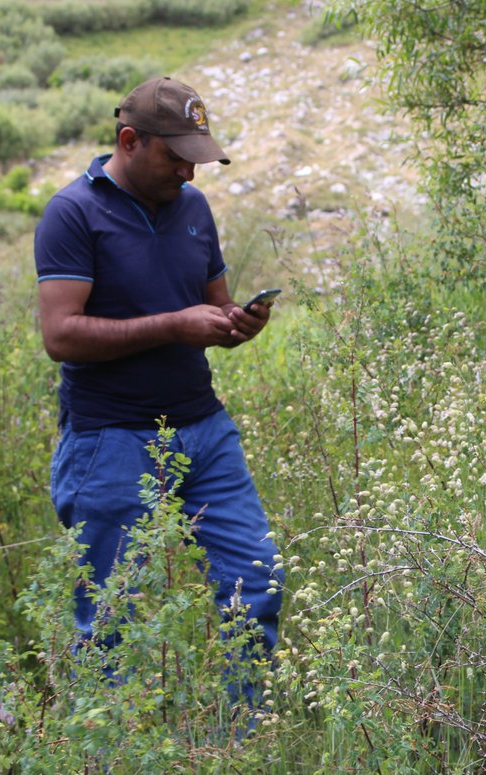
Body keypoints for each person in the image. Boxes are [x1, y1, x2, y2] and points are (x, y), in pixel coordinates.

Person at [34, 77, 283, 667]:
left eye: (197, 161)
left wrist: (236, 323)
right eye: (176, 159)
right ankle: (105, 758)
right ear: (129, 141)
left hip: (204, 429)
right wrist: (175, 325)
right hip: (110, 439)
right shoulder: (73, 214)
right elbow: (60, 335)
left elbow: (213, 305)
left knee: (258, 578)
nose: (190, 176)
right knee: (110, 615)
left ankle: (243, 739)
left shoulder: (193, 208)